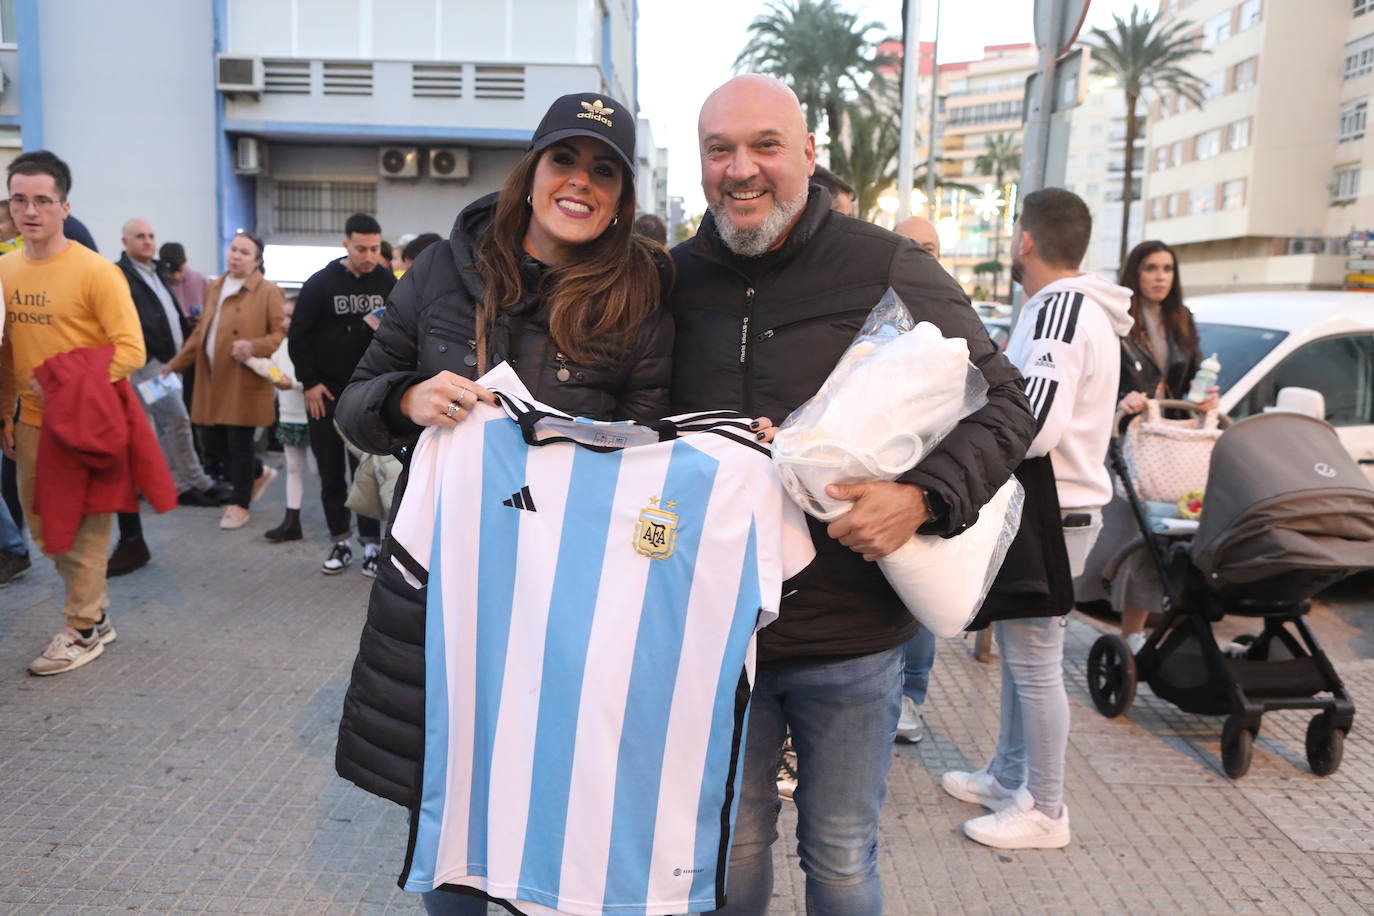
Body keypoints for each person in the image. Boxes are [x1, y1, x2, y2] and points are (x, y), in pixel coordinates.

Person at [667, 75, 1033, 915]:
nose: (741, 169)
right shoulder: (671, 278)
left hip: (852, 635)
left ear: (807, 154)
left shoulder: (884, 264)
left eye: (765, 146)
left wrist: (923, 496)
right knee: (729, 846)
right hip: (717, 632)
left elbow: (1006, 402)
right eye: (720, 150)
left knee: (838, 856)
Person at [333, 91, 673, 916]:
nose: (580, 182)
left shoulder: (641, 292)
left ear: (622, 196)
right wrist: (407, 399)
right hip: (447, 587)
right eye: (565, 159)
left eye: (604, 171)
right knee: (451, 807)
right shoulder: (443, 270)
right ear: (533, 168)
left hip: (569, 597)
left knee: (558, 803)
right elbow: (356, 402)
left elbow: (656, 449)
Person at [942, 188, 1133, 850]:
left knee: (1035, 660)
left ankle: (1046, 808)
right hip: (1058, 505)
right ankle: (1010, 776)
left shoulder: (1060, 309)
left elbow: (1036, 424)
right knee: (1026, 653)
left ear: (1025, 240)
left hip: (1055, 507)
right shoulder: (1071, 309)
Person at [0, 150, 145, 675]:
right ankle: (96, 616)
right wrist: (6, 414)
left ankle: (81, 629)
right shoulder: (5, 269)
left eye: (42, 200)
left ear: (64, 206)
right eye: (19, 200)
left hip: (84, 424)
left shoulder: (96, 272)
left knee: (84, 531)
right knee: (45, 532)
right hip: (30, 424)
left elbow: (131, 350)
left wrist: (69, 382)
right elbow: (7, 351)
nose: (30, 211)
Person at [110, 219, 231, 576]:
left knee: (168, 423)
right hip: (150, 365)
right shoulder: (121, 274)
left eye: (151, 236)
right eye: (140, 237)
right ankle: (193, 481)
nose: (148, 241)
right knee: (175, 419)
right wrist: (155, 355)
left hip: (166, 363)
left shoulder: (153, 271)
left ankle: (184, 482)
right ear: (125, 241)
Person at [1113, 239, 1218, 647]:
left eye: (1168, 269)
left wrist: (1207, 397)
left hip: (1167, 444)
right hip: (1125, 438)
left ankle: (1132, 634)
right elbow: (1104, 374)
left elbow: (1194, 377)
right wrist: (1121, 400)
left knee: (1152, 537)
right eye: (1151, 268)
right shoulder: (1119, 318)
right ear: (1135, 273)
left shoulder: (1182, 319)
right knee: (1123, 536)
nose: (1161, 277)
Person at [288, 212, 396, 575]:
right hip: (325, 394)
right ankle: (340, 541)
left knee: (367, 470)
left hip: (368, 395)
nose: (369, 256)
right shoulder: (320, 283)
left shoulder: (387, 282)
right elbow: (298, 337)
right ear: (346, 245)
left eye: (375, 248)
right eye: (361, 248)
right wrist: (309, 382)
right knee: (331, 471)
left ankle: (371, 544)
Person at [163, 232, 285, 529]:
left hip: (243, 378)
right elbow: (200, 333)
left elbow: (279, 334)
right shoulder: (215, 286)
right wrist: (176, 365)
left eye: (244, 252)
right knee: (212, 441)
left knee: (239, 443)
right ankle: (258, 472)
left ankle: (239, 504)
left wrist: (253, 346)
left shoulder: (268, 291)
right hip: (211, 378)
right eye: (234, 249)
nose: (236, 256)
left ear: (256, 261)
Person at [889, 214, 947, 744]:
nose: (919, 256)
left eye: (928, 248)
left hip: (928, 485)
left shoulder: (954, 315)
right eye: (908, 246)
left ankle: (911, 694)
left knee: (921, 597)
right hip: (871, 479)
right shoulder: (875, 313)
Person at [241, 297, 308, 542]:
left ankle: (339, 526)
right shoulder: (284, 345)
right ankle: (292, 519)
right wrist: (249, 359)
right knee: (293, 468)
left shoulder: (312, 343)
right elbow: (273, 369)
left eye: (290, 316)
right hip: (289, 415)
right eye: (283, 316)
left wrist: (295, 384)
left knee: (322, 472)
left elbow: (321, 378)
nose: (284, 322)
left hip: (312, 415)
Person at [159, 241, 210, 323]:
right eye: (172, 273)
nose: (177, 276)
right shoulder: (159, 284)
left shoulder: (202, 280)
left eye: (180, 271)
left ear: (185, 262)